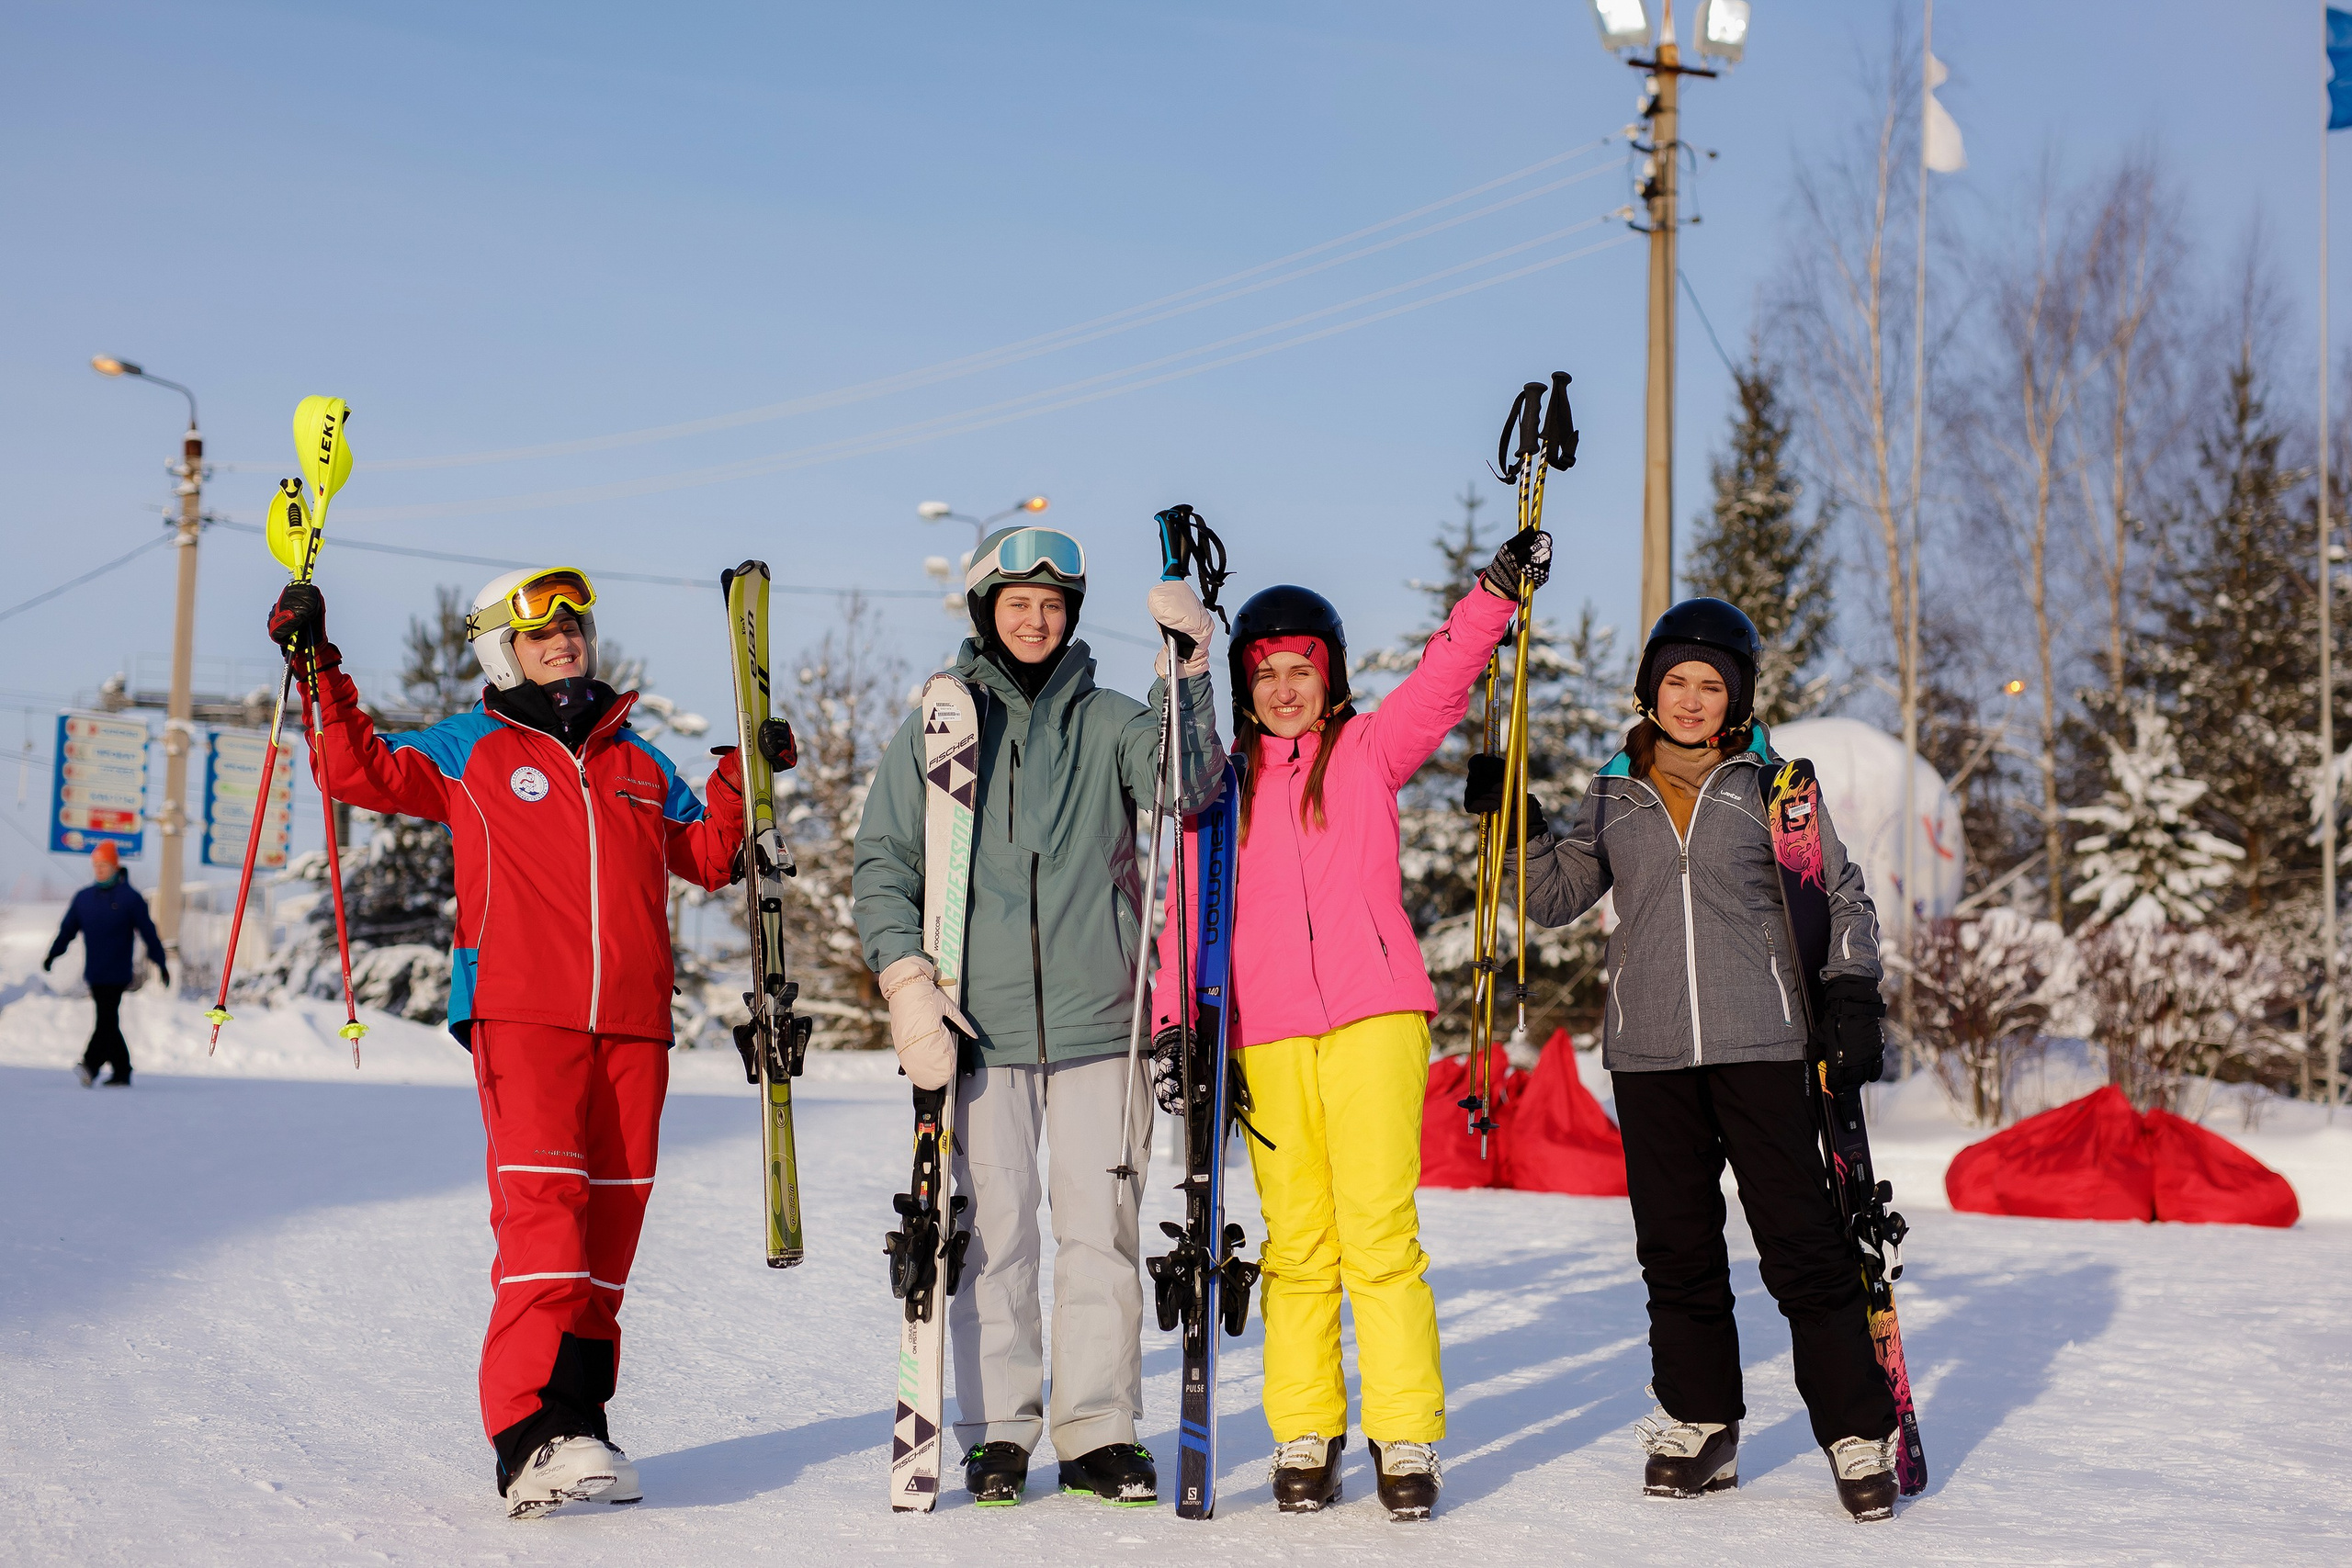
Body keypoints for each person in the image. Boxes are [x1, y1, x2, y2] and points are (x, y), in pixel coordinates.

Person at [267, 567, 782, 1520]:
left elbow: (708, 857)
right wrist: (318, 667)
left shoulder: (636, 762)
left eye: (575, 627)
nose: (565, 641)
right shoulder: (474, 748)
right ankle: (525, 1436)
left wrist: (737, 773)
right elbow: (356, 768)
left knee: (609, 1234)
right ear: (504, 646)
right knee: (545, 1219)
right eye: (542, 631)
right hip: (522, 1016)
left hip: (633, 1022)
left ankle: (580, 1421)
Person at [1148, 533, 1553, 1522]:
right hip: (1266, 1032)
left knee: (1378, 1233)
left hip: (1375, 1018)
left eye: (1302, 671)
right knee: (1297, 1243)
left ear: (1327, 677)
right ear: (1245, 683)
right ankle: (1304, 1426)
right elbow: (1180, 911)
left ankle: (1403, 1429)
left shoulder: (1368, 751)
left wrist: (1493, 594)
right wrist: (1174, 1027)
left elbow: (1446, 679)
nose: (1285, 688)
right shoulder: (1218, 784)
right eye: (1267, 673)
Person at [853, 524, 1223, 1508]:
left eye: (1052, 605)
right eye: (1016, 604)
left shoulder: (1110, 719)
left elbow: (1188, 787)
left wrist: (1188, 673)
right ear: (985, 612)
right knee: (997, 1234)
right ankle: (999, 1430)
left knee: (1100, 1231)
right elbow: (883, 861)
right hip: (980, 1030)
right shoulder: (940, 725)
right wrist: (903, 982)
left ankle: (1099, 1430)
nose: (1034, 619)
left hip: (1103, 1021)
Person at [1511, 597, 1902, 1522]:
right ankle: (1700, 1421)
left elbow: (1840, 896)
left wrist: (1848, 991)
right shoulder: (1613, 789)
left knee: (1802, 1248)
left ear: (1736, 696)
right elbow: (1555, 897)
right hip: (1647, 1053)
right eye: (1675, 683)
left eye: (1710, 685)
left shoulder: (1775, 784)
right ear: (1650, 689)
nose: (1690, 701)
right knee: (1676, 1254)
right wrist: (1516, 829)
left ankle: (1855, 1431)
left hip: (1762, 1044)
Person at [46, 840, 169, 1088]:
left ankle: (90, 1064)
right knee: (108, 1020)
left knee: (105, 1017)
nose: (100, 870)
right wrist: (53, 954)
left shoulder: (130, 899)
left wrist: (161, 962)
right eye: (96, 866)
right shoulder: (84, 898)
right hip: (95, 971)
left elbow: (148, 932)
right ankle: (122, 1070)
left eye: (104, 865)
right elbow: (67, 929)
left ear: (115, 866)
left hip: (118, 972)